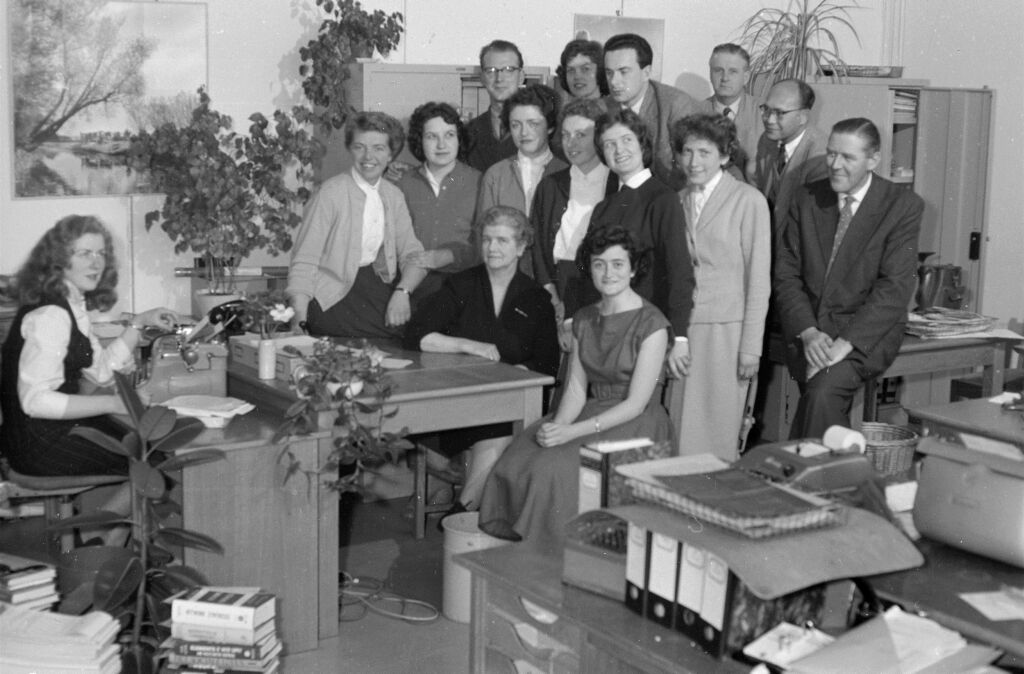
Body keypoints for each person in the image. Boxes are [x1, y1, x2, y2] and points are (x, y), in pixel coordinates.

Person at [478, 227, 672, 550]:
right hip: (591, 411)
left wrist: (571, 433)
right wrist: (558, 427)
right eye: (599, 264)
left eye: (618, 264)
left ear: (633, 269)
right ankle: (525, 553)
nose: (608, 273)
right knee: (519, 458)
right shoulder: (583, 319)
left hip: (637, 423)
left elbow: (636, 404)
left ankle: (549, 556)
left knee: (551, 470)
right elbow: (576, 390)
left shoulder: (652, 324)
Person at [403, 206, 559, 521]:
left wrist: (514, 375)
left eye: (502, 240)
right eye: (487, 240)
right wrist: (468, 345)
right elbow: (415, 334)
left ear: (520, 247)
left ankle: (460, 513)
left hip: (508, 405)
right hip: (455, 400)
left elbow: (547, 363)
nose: (492, 248)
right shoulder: (462, 284)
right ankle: (464, 513)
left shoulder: (536, 298)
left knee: (500, 425)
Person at [774, 118, 923, 439]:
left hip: (863, 335)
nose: (835, 165)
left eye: (848, 158)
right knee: (817, 397)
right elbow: (786, 275)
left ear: (873, 160)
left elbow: (894, 288)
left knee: (821, 393)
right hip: (810, 331)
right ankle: (823, 463)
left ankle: (811, 464)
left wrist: (843, 344)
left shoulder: (902, 206)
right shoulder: (806, 198)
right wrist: (808, 332)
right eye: (831, 154)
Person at [1, 214, 181, 475]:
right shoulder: (51, 315)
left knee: (152, 452)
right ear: (59, 259)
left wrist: (139, 323)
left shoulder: (69, 302)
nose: (96, 263)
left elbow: (102, 372)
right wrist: (113, 403)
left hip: (49, 432)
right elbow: (36, 401)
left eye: (101, 254)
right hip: (39, 444)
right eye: (84, 253)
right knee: (157, 464)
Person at [671, 114, 771, 460]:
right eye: (687, 151)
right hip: (684, 329)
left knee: (718, 428)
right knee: (682, 428)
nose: (693, 161)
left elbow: (758, 279)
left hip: (727, 331)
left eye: (704, 152)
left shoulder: (749, 200)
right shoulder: (679, 199)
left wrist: (751, 347)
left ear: (725, 156)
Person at [287, 111, 427, 339]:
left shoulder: (394, 196)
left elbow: (413, 254)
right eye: (360, 147)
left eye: (378, 148)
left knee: (414, 332)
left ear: (391, 154)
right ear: (350, 149)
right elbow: (305, 260)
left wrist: (403, 291)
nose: (368, 156)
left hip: (376, 288)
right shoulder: (330, 193)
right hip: (333, 296)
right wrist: (299, 323)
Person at [585, 107, 695, 380]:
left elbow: (679, 270)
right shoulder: (603, 208)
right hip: (607, 326)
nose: (619, 150)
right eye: (609, 144)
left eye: (626, 140)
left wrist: (680, 336)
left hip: (646, 328)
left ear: (642, 145)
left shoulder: (663, 199)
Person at [530, 98, 618, 348]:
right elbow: (538, 247)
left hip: (603, 285)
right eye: (566, 135)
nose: (571, 143)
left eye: (581, 135)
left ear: (599, 137)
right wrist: (552, 295)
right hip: (558, 285)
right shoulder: (550, 185)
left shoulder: (616, 184)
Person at [477, 84, 568, 275]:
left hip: (555, 275)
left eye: (533, 124)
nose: (524, 132)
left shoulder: (566, 172)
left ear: (550, 126)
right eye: (516, 125)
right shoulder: (496, 175)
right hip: (507, 275)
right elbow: (484, 235)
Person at [398, 102, 482, 302]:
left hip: (466, 285)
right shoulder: (403, 184)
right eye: (431, 136)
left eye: (449, 135)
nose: (441, 145)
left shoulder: (480, 182)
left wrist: (448, 255)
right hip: (414, 286)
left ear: (459, 139)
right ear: (419, 141)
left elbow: (485, 241)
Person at [602, 33, 698, 190]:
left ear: (646, 73)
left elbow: (691, 169)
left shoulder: (675, 104)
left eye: (623, 72)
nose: (614, 81)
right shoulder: (603, 108)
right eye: (609, 72)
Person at [753, 78, 828, 247]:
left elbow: (812, 228)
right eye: (766, 109)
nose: (769, 120)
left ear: (803, 117)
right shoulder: (767, 140)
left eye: (780, 113)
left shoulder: (820, 156)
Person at [697, 43, 762, 181]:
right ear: (710, 74)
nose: (725, 78)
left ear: (746, 77)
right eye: (718, 70)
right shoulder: (696, 113)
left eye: (733, 71)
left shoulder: (763, 112)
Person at [465, 40, 525, 173]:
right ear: (482, 77)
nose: (499, 78)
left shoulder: (540, 131)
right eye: (491, 71)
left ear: (521, 77)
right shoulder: (468, 133)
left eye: (508, 70)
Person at [555, 39, 608, 104]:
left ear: (600, 72)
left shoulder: (614, 109)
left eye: (585, 69)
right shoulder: (563, 110)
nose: (577, 76)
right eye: (571, 70)